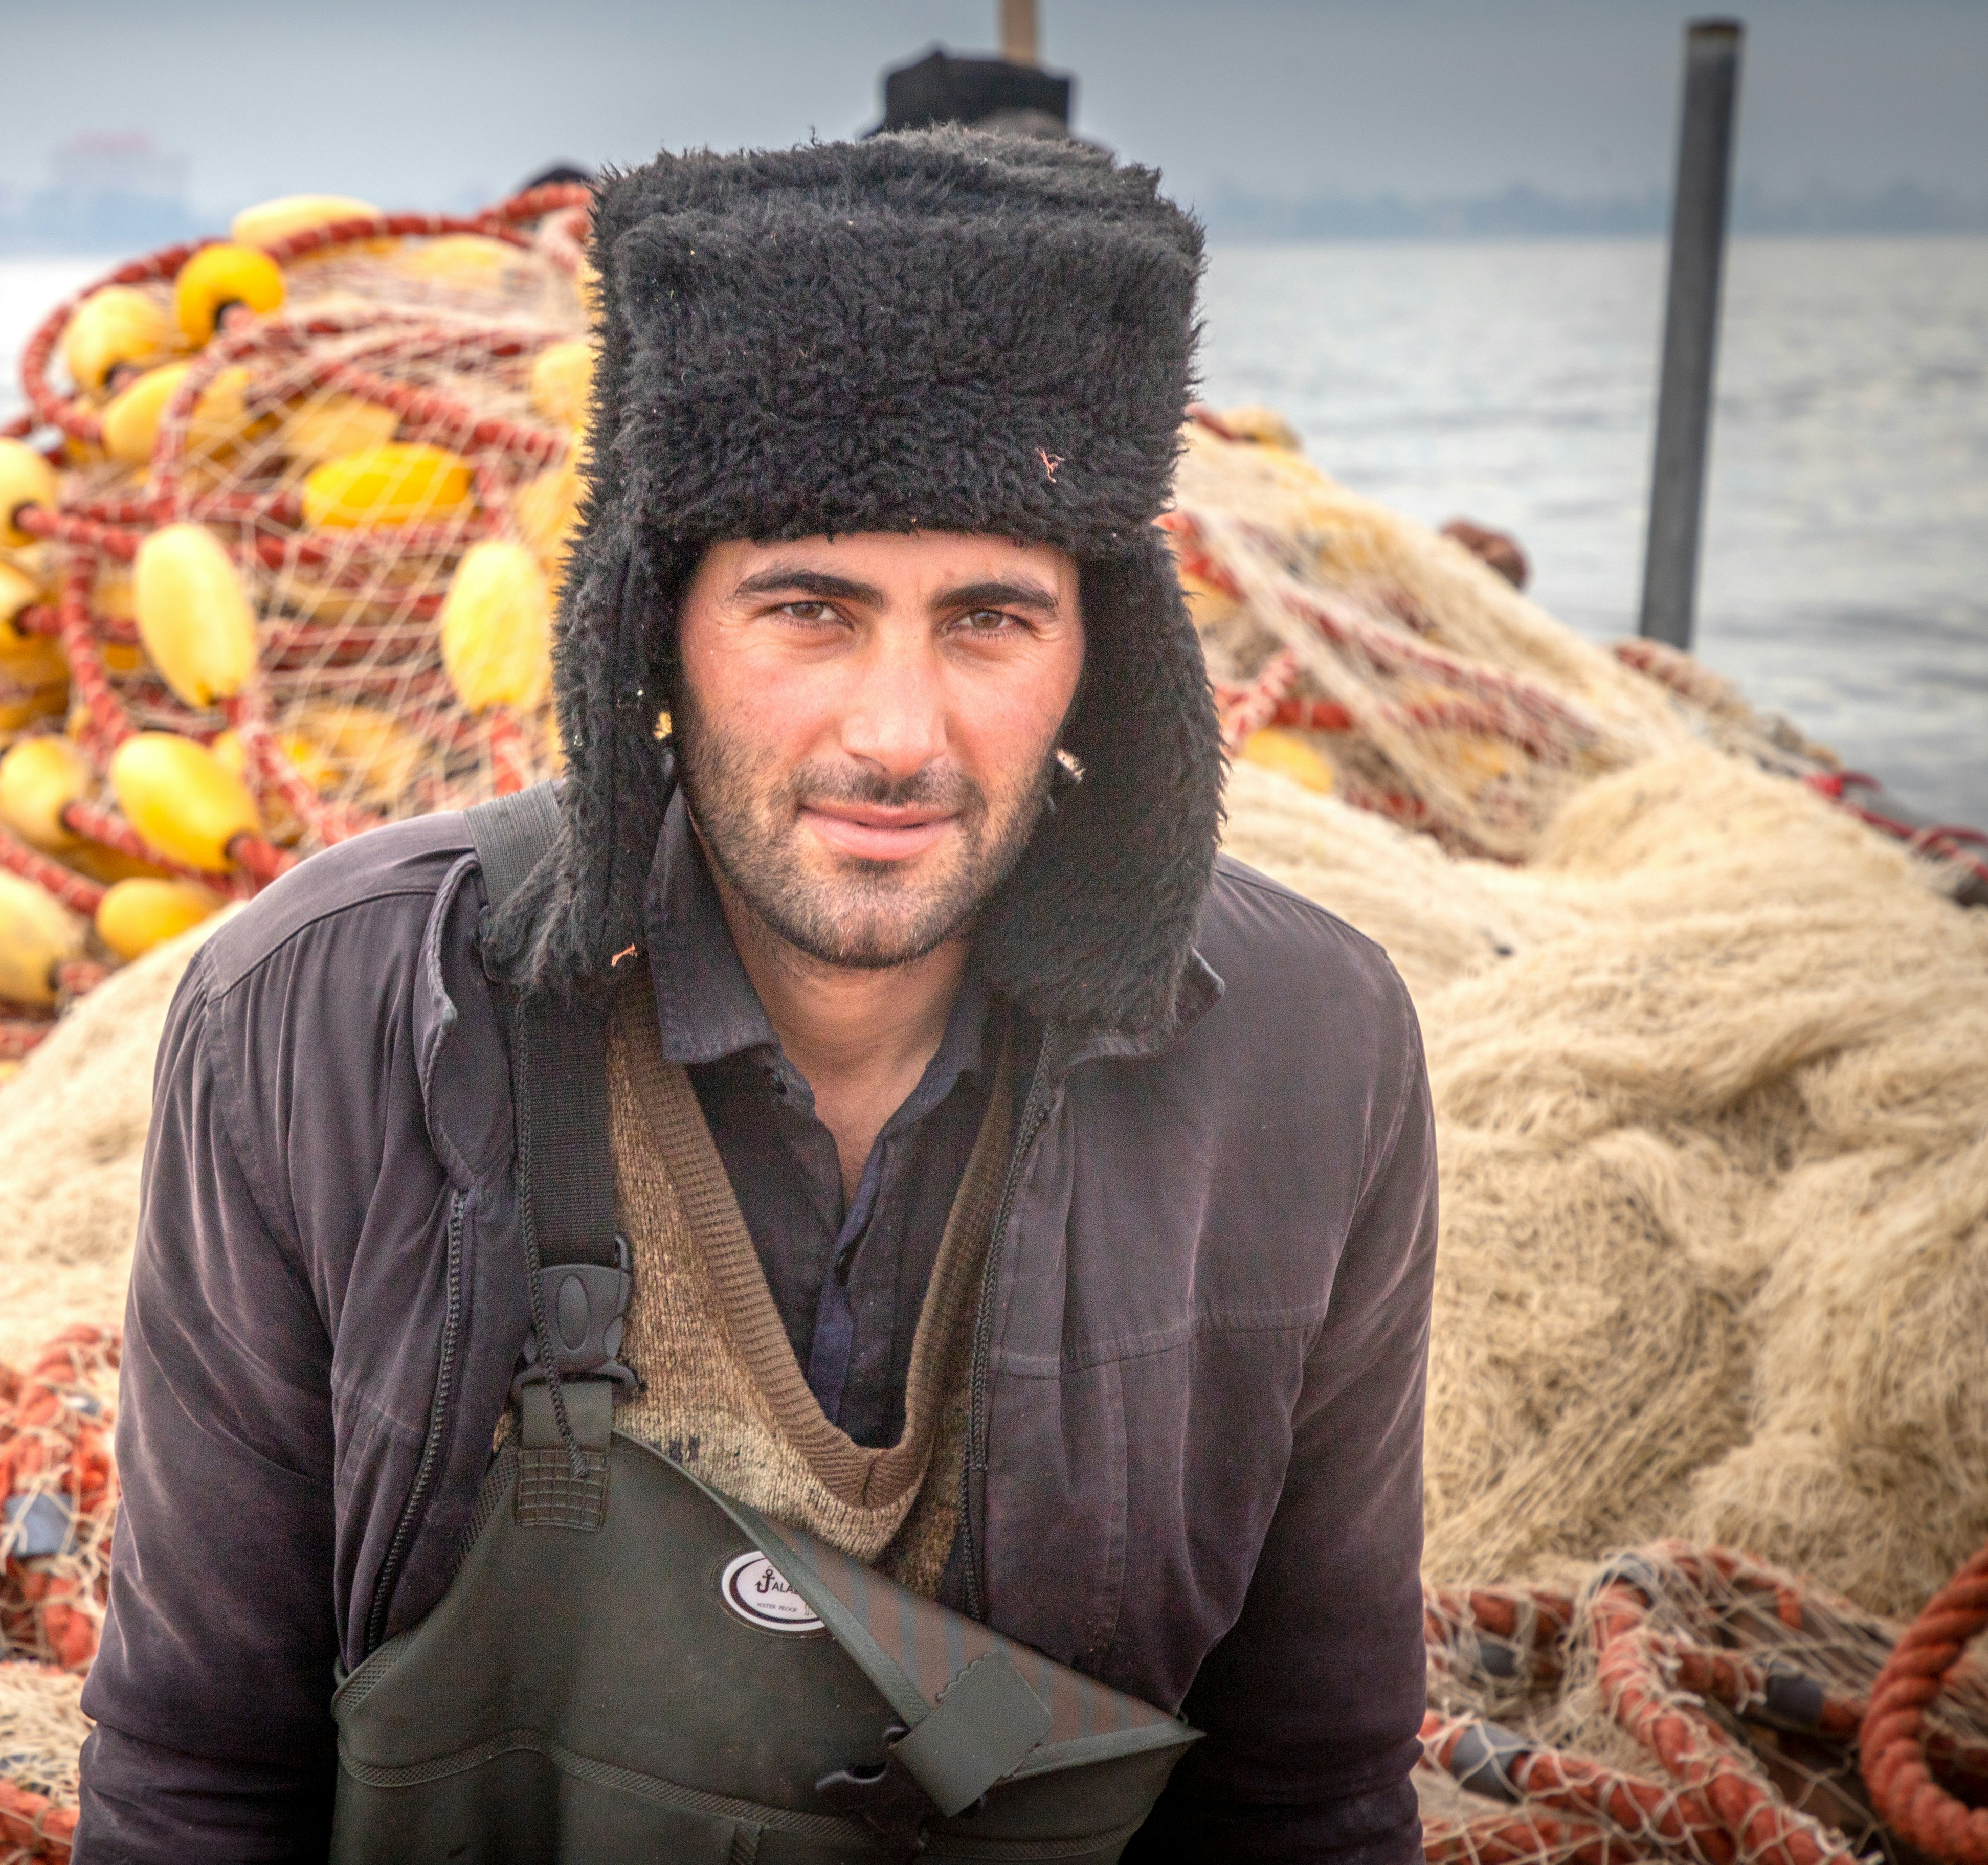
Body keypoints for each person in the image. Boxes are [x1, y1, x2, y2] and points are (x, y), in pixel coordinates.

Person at [76, 128, 1436, 1863]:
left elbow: (1306, 1790)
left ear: (1101, 652)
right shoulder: (321, 1025)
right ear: (655, 630)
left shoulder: (1304, 1061)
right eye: (808, 609)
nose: (895, 734)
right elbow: (194, 1778)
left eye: (987, 621)